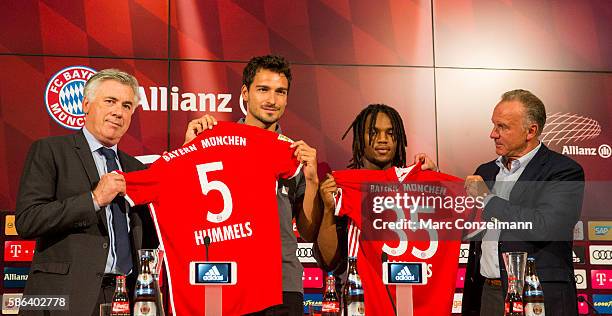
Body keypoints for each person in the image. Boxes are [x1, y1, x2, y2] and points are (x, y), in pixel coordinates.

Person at [183, 55, 321, 315]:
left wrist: (312, 180)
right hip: (228, 278)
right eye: (263, 89)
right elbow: (185, 208)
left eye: (280, 92)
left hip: (282, 283)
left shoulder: (293, 153)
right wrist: (190, 150)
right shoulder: (214, 144)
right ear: (245, 93)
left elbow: (309, 231)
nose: (272, 100)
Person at [15, 69, 158, 316]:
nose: (118, 112)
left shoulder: (136, 168)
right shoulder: (50, 151)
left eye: (126, 105)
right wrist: (93, 200)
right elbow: (28, 220)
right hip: (62, 297)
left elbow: (153, 236)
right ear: (86, 105)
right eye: (110, 101)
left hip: (125, 296)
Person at [461, 89, 585, 316]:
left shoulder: (564, 171)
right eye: (493, 125)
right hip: (489, 294)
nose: (492, 134)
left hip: (537, 296)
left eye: (502, 127)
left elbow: (545, 226)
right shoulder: (485, 171)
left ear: (531, 130)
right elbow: (463, 217)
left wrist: (487, 199)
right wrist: (433, 177)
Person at [315, 103, 437, 273]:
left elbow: (463, 229)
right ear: (359, 138)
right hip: (360, 294)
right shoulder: (341, 188)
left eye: (390, 133)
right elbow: (329, 263)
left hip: (408, 291)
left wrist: (436, 180)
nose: (382, 139)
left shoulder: (417, 187)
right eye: (373, 132)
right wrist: (329, 210)